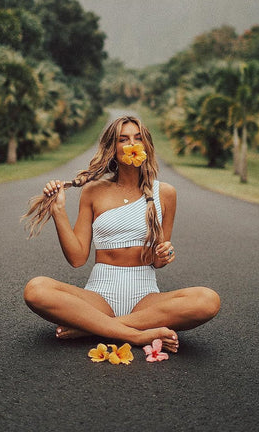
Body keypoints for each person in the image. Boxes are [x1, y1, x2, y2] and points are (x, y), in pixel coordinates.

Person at [23, 116, 220, 353]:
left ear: (146, 146)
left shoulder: (166, 193)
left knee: (208, 300)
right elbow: (77, 259)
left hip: (145, 299)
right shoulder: (93, 191)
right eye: (123, 139)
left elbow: (158, 261)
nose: (132, 143)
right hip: (99, 297)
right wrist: (58, 211)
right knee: (35, 289)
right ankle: (135, 337)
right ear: (112, 149)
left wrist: (164, 254)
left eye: (138, 138)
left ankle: (92, 328)